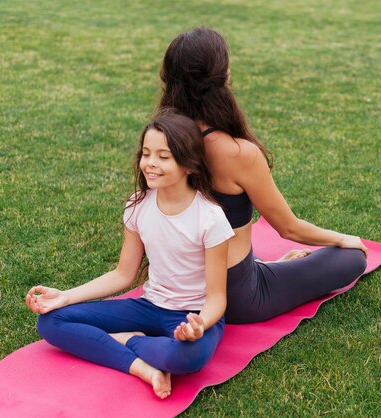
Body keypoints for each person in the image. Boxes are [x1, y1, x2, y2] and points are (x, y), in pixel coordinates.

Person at [157, 28, 368, 324]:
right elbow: (289, 229)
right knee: (353, 258)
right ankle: (266, 270)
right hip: (238, 298)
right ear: (224, 77)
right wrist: (344, 238)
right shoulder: (236, 153)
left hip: (178, 290)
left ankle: (266, 268)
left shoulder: (160, 141)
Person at [25, 110, 234, 399]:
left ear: (189, 164)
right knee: (50, 321)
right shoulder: (139, 205)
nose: (150, 163)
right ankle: (141, 367)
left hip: (193, 315)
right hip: (149, 306)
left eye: (164, 156)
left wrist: (198, 327)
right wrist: (66, 296)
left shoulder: (210, 218)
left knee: (185, 359)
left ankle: (127, 340)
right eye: (146, 153)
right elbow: (124, 273)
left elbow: (217, 299)